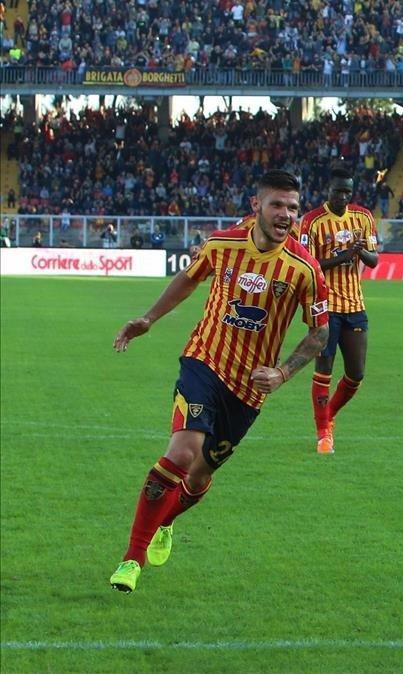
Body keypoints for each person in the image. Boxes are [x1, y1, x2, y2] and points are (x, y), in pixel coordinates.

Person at [108, 170, 330, 593]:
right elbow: (191, 277)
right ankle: (131, 560)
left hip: (249, 391)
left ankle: (165, 522)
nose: (286, 215)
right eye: (277, 205)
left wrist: (283, 372)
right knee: (183, 450)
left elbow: (320, 331)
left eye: (293, 208)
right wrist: (148, 319)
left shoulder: (305, 268)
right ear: (256, 206)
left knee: (198, 477)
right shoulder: (222, 244)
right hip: (204, 362)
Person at [298, 167, 380, 454]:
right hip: (325, 307)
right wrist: (344, 255)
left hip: (355, 305)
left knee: (356, 374)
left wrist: (358, 251)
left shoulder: (363, 217)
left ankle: (328, 414)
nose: (343, 196)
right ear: (328, 189)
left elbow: (374, 261)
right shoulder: (311, 221)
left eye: (348, 191)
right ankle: (323, 434)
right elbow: (308, 264)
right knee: (324, 369)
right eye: (338, 191)